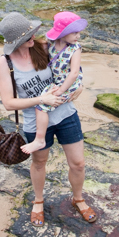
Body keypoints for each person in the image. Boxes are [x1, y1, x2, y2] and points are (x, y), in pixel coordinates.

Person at [0, 12, 97, 227]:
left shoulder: (43, 47)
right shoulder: (5, 62)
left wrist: (80, 85)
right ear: (15, 41)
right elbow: (8, 103)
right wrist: (41, 99)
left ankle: (78, 198)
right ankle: (38, 201)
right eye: (28, 36)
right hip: (35, 122)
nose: (34, 37)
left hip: (65, 114)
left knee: (78, 163)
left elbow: (71, 66)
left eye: (32, 33)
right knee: (39, 162)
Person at [21, 11, 86, 155]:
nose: (78, 36)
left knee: (41, 106)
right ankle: (40, 139)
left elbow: (74, 73)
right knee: (42, 103)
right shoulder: (50, 43)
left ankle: (39, 140)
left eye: (78, 33)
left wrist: (62, 90)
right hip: (57, 83)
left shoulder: (75, 48)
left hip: (68, 84)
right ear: (63, 33)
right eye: (75, 33)